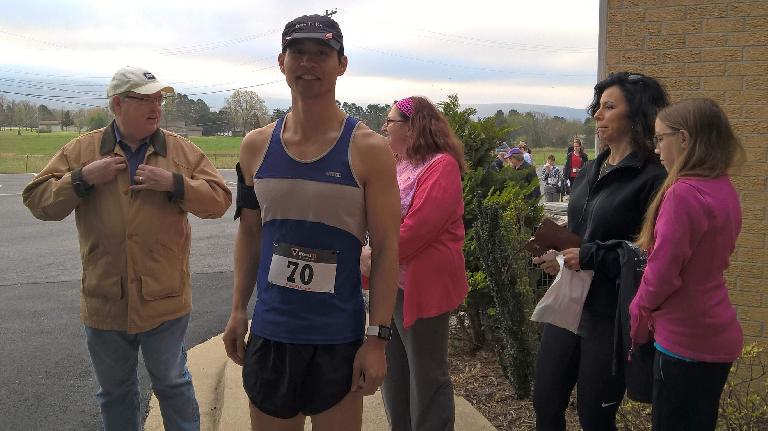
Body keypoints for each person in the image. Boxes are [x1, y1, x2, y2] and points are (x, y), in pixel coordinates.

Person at [22, 66, 232, 431]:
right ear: (118, 103)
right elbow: (38, 201)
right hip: (106, 299)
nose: (156, 107)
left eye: (159, 99)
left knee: (172, 384)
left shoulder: (180, 152)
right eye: (145, 99)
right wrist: (82, 178)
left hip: (164, 300)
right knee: (115, 391)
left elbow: (219, 201)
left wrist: (175, 183)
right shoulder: (83, 151)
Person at [221, 14, 401, 431]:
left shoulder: (369, 150)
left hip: (337, 338)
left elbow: (389, 249)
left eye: (321, 53)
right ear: (281, 62)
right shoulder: (255, 147)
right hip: (272, 333)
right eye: (298, 52)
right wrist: (236, 309)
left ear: (342, 64)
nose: (308, 62)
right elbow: (250, 233)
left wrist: (377, 338)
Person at [531, 72, 669, 431]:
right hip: (569, 301)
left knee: (595, 415)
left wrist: (591, 256)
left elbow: (649, 253)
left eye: (610, 107)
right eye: (598, 106)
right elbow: (581, 233)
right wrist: (560, 255)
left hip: (609, 313)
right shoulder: (589, 170)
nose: (598, 114)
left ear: (637, 115)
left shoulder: (653, 179)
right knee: (545, 399)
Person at [630, 98, 745, 431]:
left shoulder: (683, 194)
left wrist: (636, 318)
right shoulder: (723, 188)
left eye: (659, 138)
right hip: (717, 334)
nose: (656, 149)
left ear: (684, 139)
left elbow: (661, 276)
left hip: (684, 341)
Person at [365, 96, 468, 431]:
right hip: (392, 281)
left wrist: (374, 255)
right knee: (394, 368)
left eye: (390, 121)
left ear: (412, 127)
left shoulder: (441, 166)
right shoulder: (399, 163)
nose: (384, 127)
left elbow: (418, 228)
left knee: (426, 372)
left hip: (423, 285)